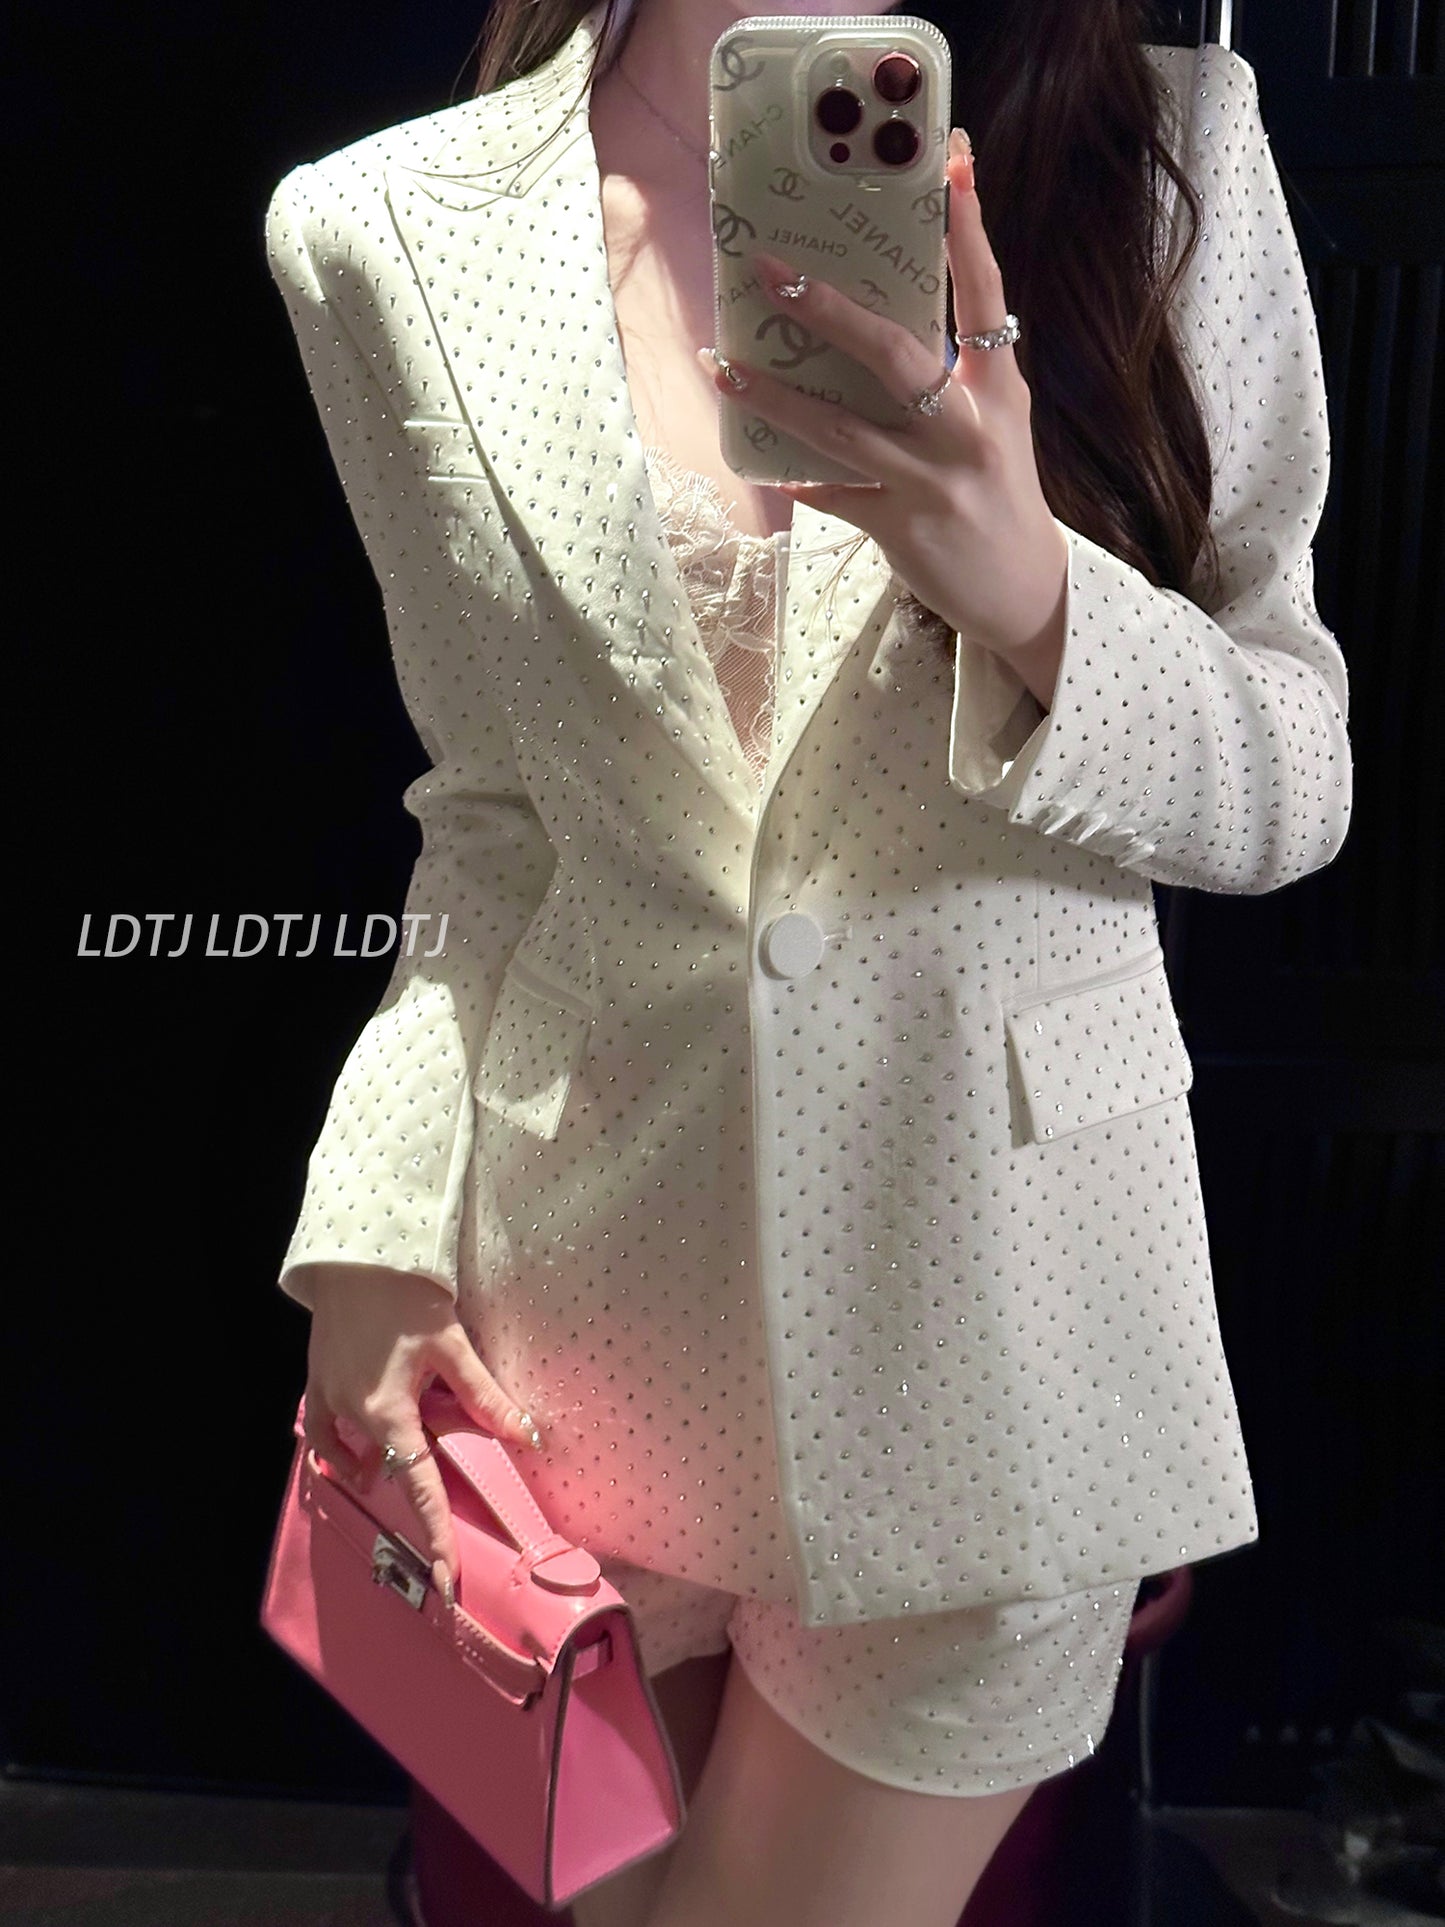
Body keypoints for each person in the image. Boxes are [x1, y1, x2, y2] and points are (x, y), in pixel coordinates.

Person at [263, 0, 1352, 1921]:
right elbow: (491, 815)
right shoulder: (388, 225)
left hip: (996, 1320)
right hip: (567, 1337)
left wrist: (1031, 591)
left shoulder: (1161, 161)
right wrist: (371, 1223)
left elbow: (1291, 779)